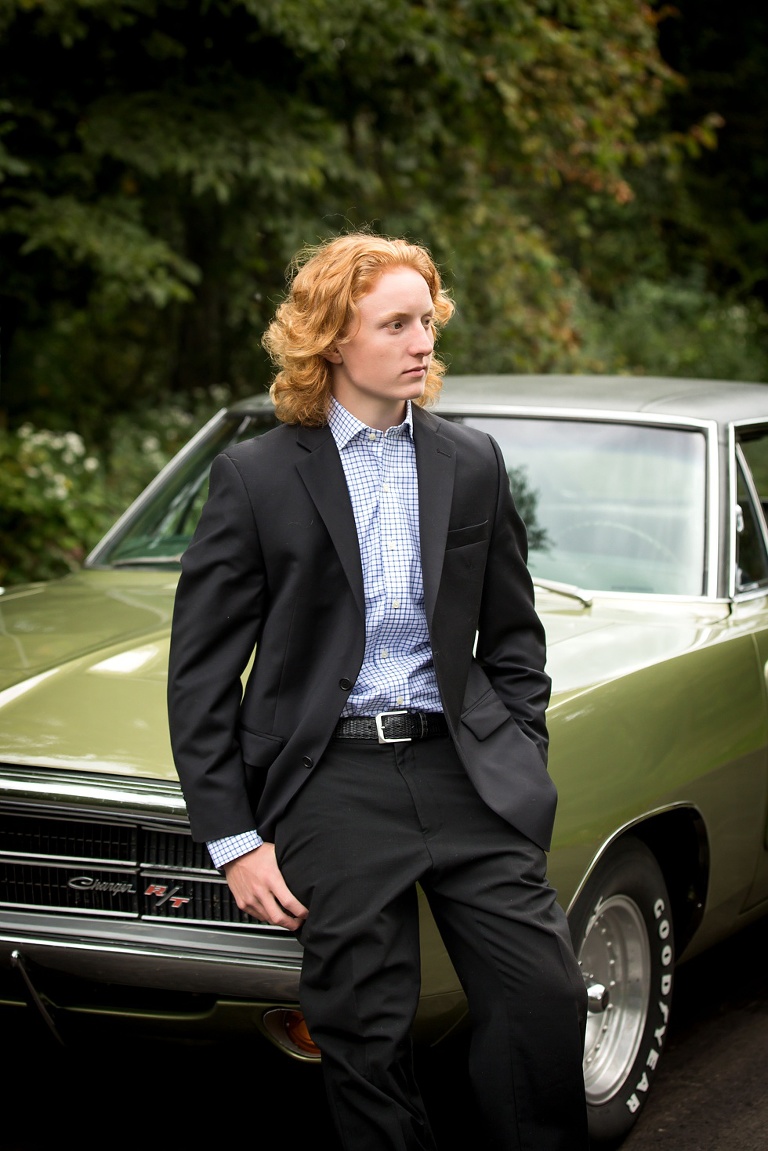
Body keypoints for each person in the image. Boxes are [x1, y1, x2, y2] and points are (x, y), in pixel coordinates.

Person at [167, 232, 589, 1150]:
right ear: (331, 340)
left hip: (465, 769)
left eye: (426, 321)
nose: (420, 342)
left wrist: (520, 749)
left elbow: (514, 636)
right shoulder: (257, 476)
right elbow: (200, 674)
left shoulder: (470, 460)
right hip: (332, 782)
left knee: (545, 1000)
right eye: (394, 324)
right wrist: (235, 840)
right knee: (367, 1032)